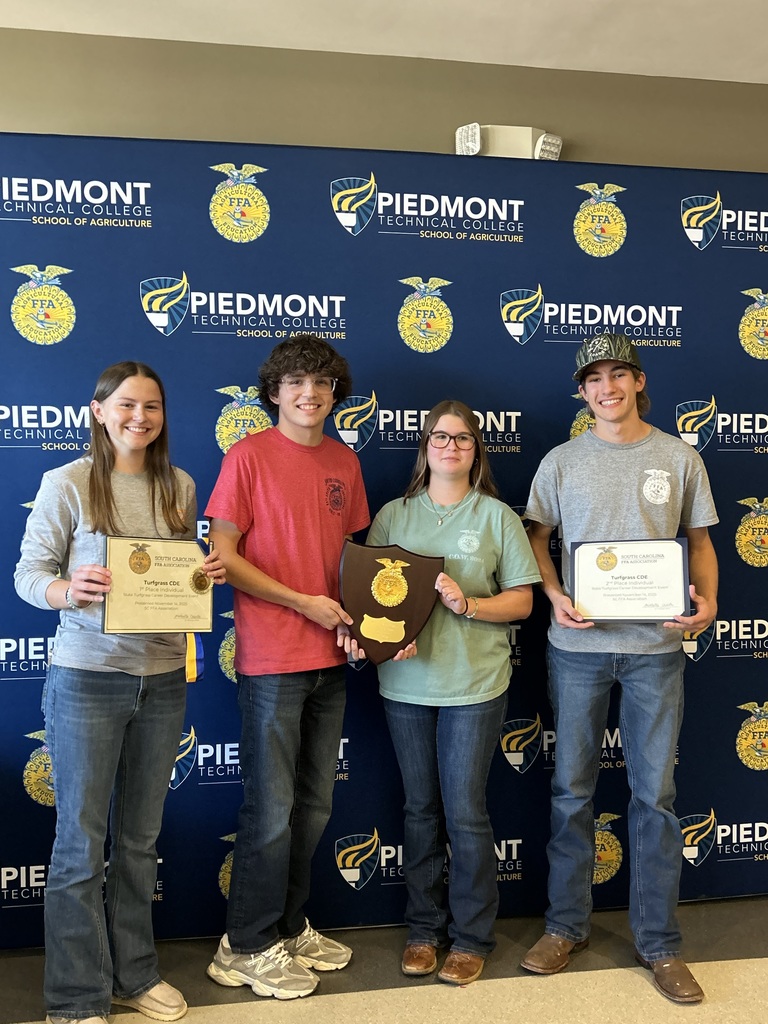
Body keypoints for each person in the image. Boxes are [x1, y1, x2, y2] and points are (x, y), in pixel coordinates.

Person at [14, 361, 225, 1024]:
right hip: (87, 679)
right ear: (99, 411)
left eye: (153, 406)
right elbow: (29, 573)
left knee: (138, 840)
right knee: (80, 842)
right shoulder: (68, 483)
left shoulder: (180, 485)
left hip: (161, 679)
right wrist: (65, 591)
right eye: (127, 405)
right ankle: (76, 996)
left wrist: (205, 573)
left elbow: (177, 579)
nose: (141, 417)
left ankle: (134, 974)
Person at [521, 333, 718, 1004]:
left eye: (618, 375)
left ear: (637, 380)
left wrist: (710, 601)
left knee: (653, 799)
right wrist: (551, 594)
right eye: (593, 379)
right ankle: (564, 926)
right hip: (577, 651)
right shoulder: (560, 461)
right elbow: (535, 538)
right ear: (581, 391)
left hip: (656, 653)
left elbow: (699, 541)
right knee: (573, 791)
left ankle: (659, 944)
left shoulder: (677, 455)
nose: (606, 388)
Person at [204, 335, 370, 1000]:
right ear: (274, 392)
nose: (311, 393)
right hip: (272, 659)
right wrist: (302, 602)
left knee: (313, 805)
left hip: (331, 658)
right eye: (297, 382)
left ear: (335, 394)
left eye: (323, 383)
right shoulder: (246, 457)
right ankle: (243, 944)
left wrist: (359, 626)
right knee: (270, 811)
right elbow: (224, 557)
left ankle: (289, 924)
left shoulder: (344, 462)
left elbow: (351, 559)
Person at [366, 399, 541, 986]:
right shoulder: (393, 515)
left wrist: (467, 604)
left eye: (463, 439)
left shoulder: (496, 517)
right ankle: (423, 931)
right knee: (419, 810)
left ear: (476, 450)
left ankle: (471, 938)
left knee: (466, 814)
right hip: (406, 684)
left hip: (474, 685)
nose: (450, 446)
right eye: (440, 437)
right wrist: (389, 637)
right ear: (425, 446)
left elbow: (522, 600)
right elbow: (372, 598)